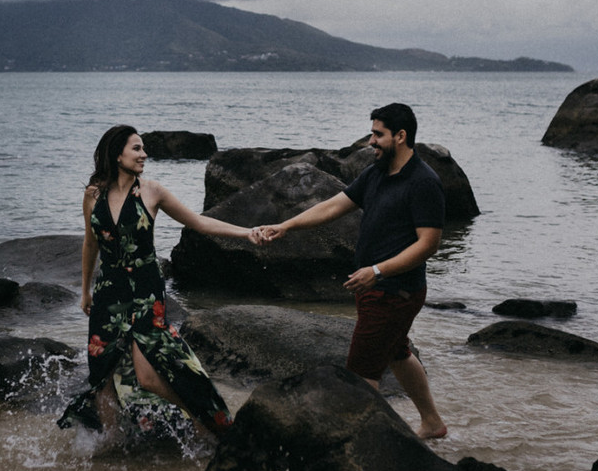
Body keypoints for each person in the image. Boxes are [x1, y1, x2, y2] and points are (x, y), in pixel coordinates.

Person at [58, 124, 263, 441]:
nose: (145, 154)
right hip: (108, 291)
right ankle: (111, 444)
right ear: (117, 154)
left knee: (149, 375)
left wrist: (246, 233)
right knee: (103, 375)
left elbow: (198, 222)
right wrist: (85, 290)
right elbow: (90, 243)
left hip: (144, 290)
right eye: (137, 148)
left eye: (143, 148)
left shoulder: (152, 191)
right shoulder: (93, 194)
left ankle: (197, 419)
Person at [257, 103, 448, 439]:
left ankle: (366, 447)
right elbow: (334, 205)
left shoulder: (423, 182)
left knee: (360, 379)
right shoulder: (377, 172)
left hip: (393, 291)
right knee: (397, 353)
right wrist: (286, 225)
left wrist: (377, 270)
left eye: (378, 134)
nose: (370, 141)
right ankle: (432, 424)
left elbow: (428, 243)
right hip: (378, 287)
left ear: (400, 136)